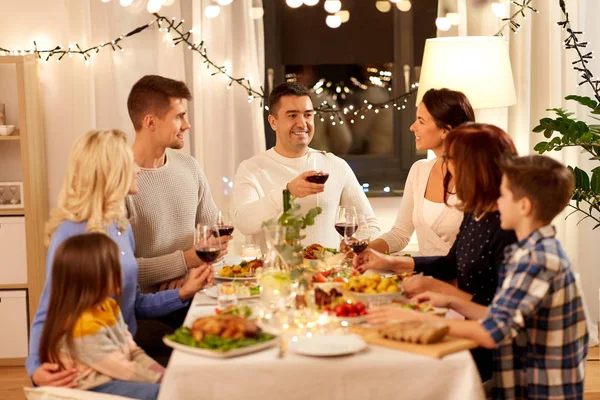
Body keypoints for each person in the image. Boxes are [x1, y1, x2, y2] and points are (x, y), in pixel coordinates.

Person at [369, 155, 588, 399]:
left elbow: (491, 333)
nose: (497, 202)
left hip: (538, 389)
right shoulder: (529, 250)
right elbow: (502, 317)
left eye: (502, 195)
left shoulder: (536, 260)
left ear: (524, 206)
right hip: (518, 379)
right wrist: (452, 302)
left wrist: (414, 319)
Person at [26, 130, 211, 387]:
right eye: (130, 163)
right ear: (111, 172)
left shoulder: (121, 227)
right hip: (87, 362)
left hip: (122, 347)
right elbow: (49, 310)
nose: (137, 169)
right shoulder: (71, 233)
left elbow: (133, 303)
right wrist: (35, 369)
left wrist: (184, 292)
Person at [355, 123, 519, 381]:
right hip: (468, 327)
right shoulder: (475, 211)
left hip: (491, 351)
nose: (445, 167)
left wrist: (440, 292)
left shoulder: (508, 227)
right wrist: (390, 263)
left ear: (475, 166)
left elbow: (499, 316)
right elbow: (449, 264)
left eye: (450, 159)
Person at [232, 81, 380, 250]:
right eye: (292, 115)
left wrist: (351, 247)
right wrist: (288, 194)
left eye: (308, 115)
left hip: (326, 274)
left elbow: (370, 225)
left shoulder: (336, 165)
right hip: (273, 274)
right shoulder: (251, 168)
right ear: (273, 122)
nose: (302, 123)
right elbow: (244, 223)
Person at [125, 75, 230, 295]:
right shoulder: (118, 178)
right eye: (179, 117)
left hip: (191, 295)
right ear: (150, 122)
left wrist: (194, 270)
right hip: (141, 310)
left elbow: (217, 242)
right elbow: (122, 268)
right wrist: (187, 260)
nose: (187, 125)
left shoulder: (189, 166)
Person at [39, 233, 163, 400]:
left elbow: (133, 350)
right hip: (93, 388)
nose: (122, 271)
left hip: (115, 377)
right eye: (114, 266)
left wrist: (162, 373)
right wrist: (162, 380)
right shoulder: (83, 325)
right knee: (163, 392)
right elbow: (122, 368)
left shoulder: (109, 306)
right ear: (92, 276)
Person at [369, 88, 474, 256]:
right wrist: (363, 250)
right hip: (424, 278)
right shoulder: (419, 170)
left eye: (421, 121)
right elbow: (400, 234)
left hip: (459, 281)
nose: (412, 127)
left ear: (444, 131)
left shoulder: (476, 177)